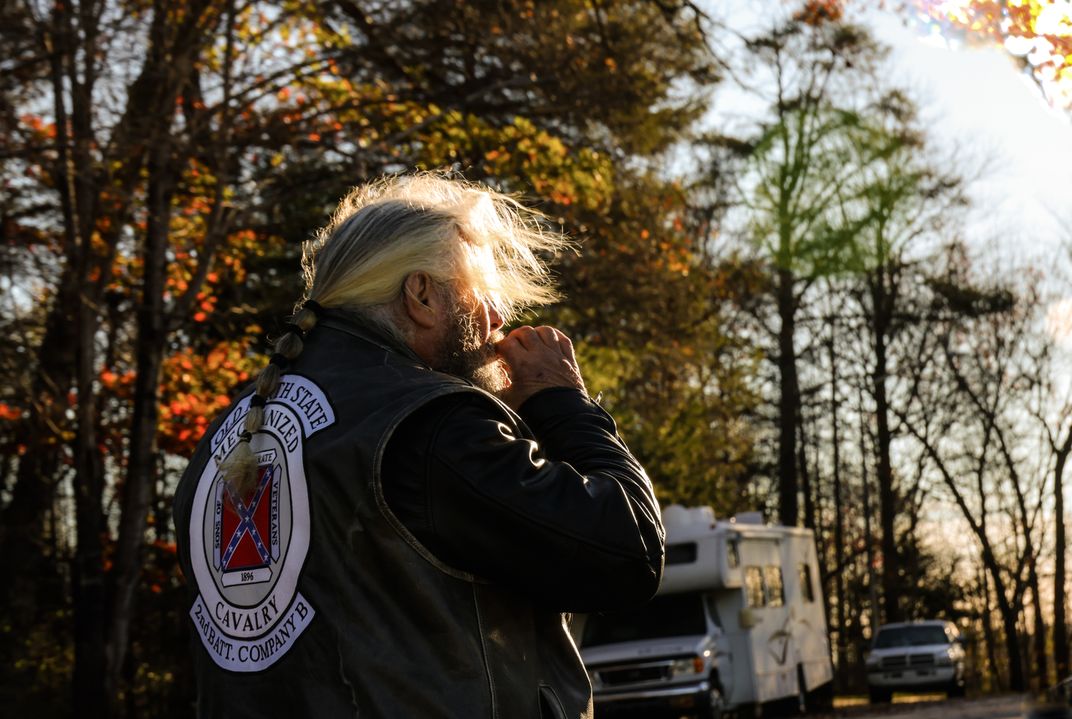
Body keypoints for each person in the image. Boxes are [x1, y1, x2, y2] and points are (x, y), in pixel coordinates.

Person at [173, 173, 664, 718]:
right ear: (423, 295)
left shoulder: (226, 438)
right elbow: (629, 554)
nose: (499, 319)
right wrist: (562, 401)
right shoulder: (431, 425)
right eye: (485, 294)